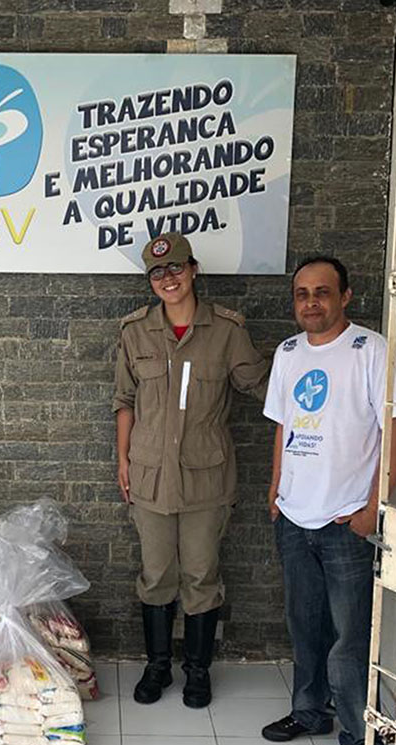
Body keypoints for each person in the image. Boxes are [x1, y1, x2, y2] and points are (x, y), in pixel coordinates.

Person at [260, 257, 396, 745]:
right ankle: (309, 711)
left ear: (345, 296)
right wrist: (276, 491)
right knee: (305, 626)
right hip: (295, 517)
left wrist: (374, 506)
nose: (311, 302)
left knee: (349, 639)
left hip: (347, 520)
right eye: (302, 293)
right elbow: (282, 427)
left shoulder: (369, 352)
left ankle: (358, 738)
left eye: (322, 292)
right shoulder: (287, 353)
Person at [113, 233, 269, 709]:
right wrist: (122, 460)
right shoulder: (134, 332)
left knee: (201, 574)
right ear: (150, 281)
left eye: (176, 268)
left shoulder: (226, 331)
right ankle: (158, 665)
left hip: (206, 478)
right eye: (158, 273)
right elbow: (124, 401)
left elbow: (261, 386)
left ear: (194, 269)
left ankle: (197, 669)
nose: (169, 279)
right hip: (149, 476)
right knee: (156, 574)